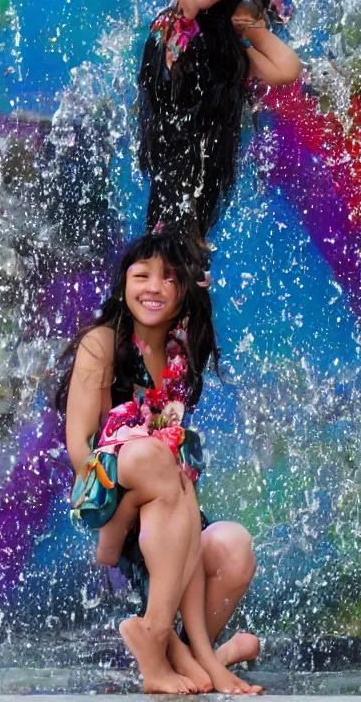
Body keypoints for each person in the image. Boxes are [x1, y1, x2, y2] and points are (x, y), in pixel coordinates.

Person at [58, 229, 262, 695]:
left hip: (164, 505)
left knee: (234, 546)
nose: (154, 287)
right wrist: (119, 515)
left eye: (170, 278)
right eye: (142, 274)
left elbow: (175, 462)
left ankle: (198, 657)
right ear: (123, 281)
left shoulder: (179, 350)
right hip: (109, 480)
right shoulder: (102, 342)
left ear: (185, 291)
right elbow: (79, 447)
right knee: (158, 457)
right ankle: (168, 643)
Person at [138, 0, 301, 242]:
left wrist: (248, 27)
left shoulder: (222, 42)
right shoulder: (168, 28)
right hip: (174, 198)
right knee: (174, 267)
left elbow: (286, 69)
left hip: (200, 201)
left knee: (186, 270)